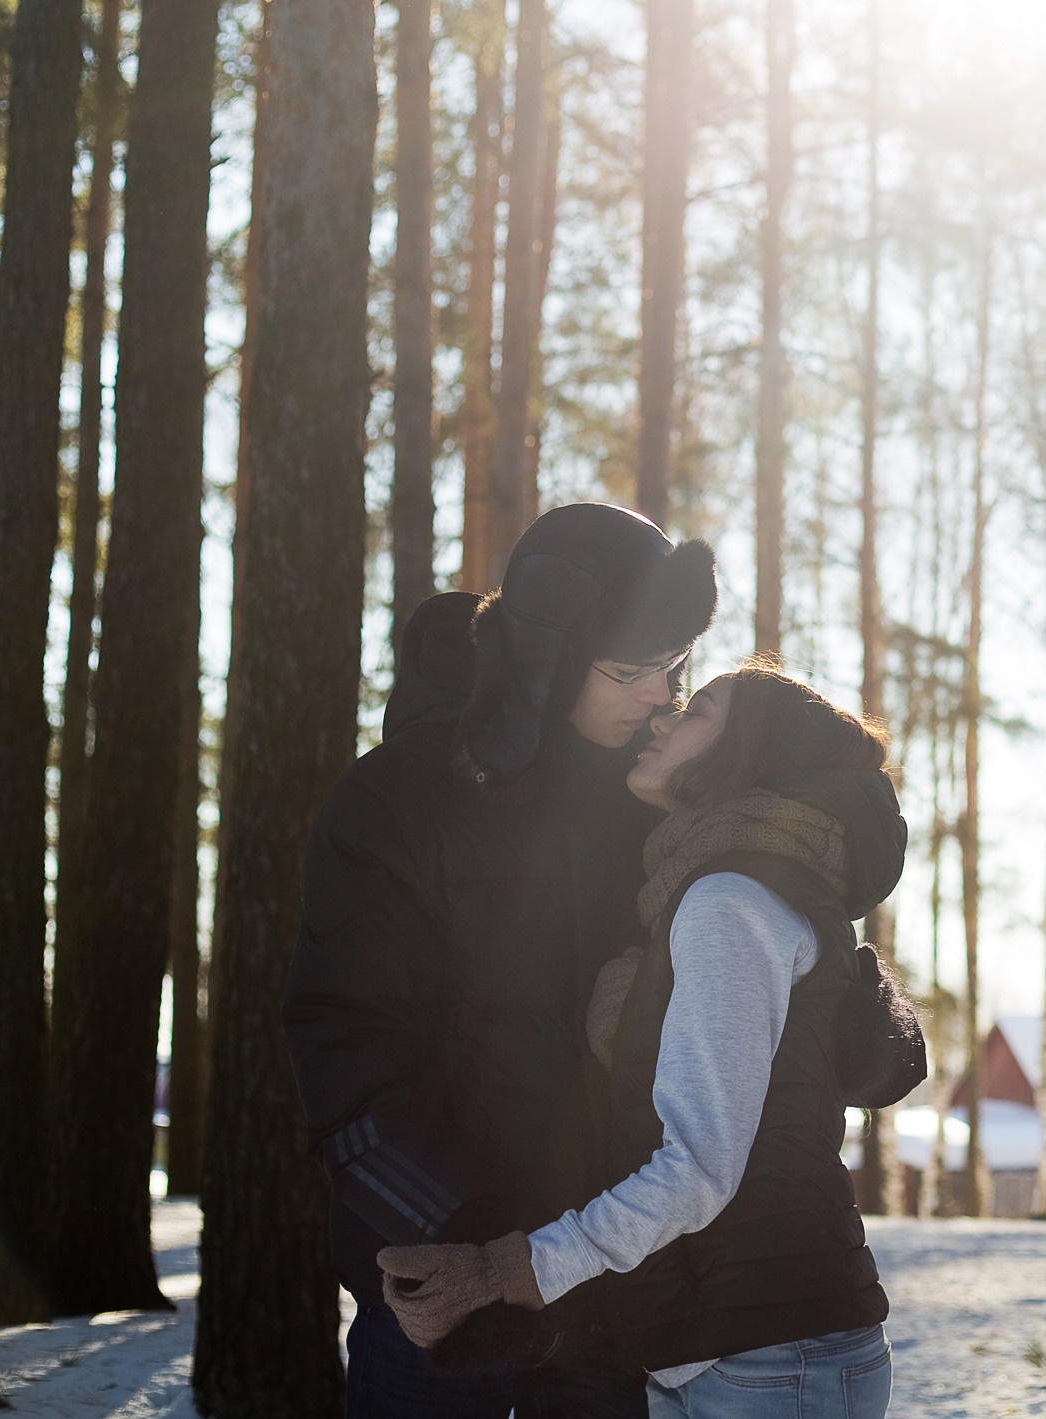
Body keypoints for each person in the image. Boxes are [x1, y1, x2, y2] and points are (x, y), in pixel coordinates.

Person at [375, 662, 910, 1419]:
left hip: (767, 1355)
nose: (663, 718)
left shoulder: (731, 900)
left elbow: (696, 1166)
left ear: (745, 753)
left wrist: (509, 1271)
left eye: (697, 712)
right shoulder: (739, 886)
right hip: (750, 1348)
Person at [286, 504, 719, 1419]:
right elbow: (349, 1047)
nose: (659, 695)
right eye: (631, 669)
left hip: (608, 1286)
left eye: (673, 667)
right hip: (445, 1300)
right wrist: (457, 1242)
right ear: (549, 652)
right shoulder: (397, 799)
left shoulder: (654, 802)